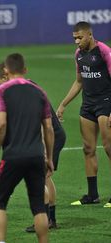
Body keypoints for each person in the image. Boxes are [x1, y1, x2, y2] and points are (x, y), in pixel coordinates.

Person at [0, 62, 66, 232]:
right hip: (54, 135)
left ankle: (44, 219)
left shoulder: (22, 91)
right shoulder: (28, 86)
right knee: (46, 178)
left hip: (47, 137)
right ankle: (51, 219)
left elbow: (41, 123)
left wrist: (42, 150)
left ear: (6, 76)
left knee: (40, 180)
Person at [56, 21, 111, 207]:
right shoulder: (79, 55)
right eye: (74, 38)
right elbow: (79, 81)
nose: (76, 41)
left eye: (79, 37)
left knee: (109, 148)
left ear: (89, 35)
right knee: (88, 149)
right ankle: (92, 195)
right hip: (88, 106)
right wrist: (63, 104)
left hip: (106, 104)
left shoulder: (104, 51)